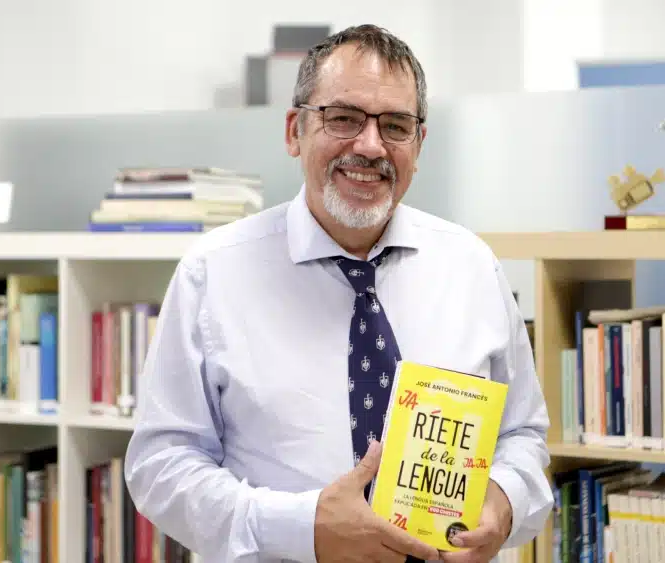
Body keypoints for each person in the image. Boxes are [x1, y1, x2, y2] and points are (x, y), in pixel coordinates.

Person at [124, 24, 554, 563]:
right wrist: (303, 527)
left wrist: (504, 504)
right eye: (344, 118)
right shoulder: (212, 274)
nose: (370, 145)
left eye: (395, 125)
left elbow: (523, 435)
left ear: (418, 147)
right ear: (294, 131)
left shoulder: (472, 268)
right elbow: (161, 466)